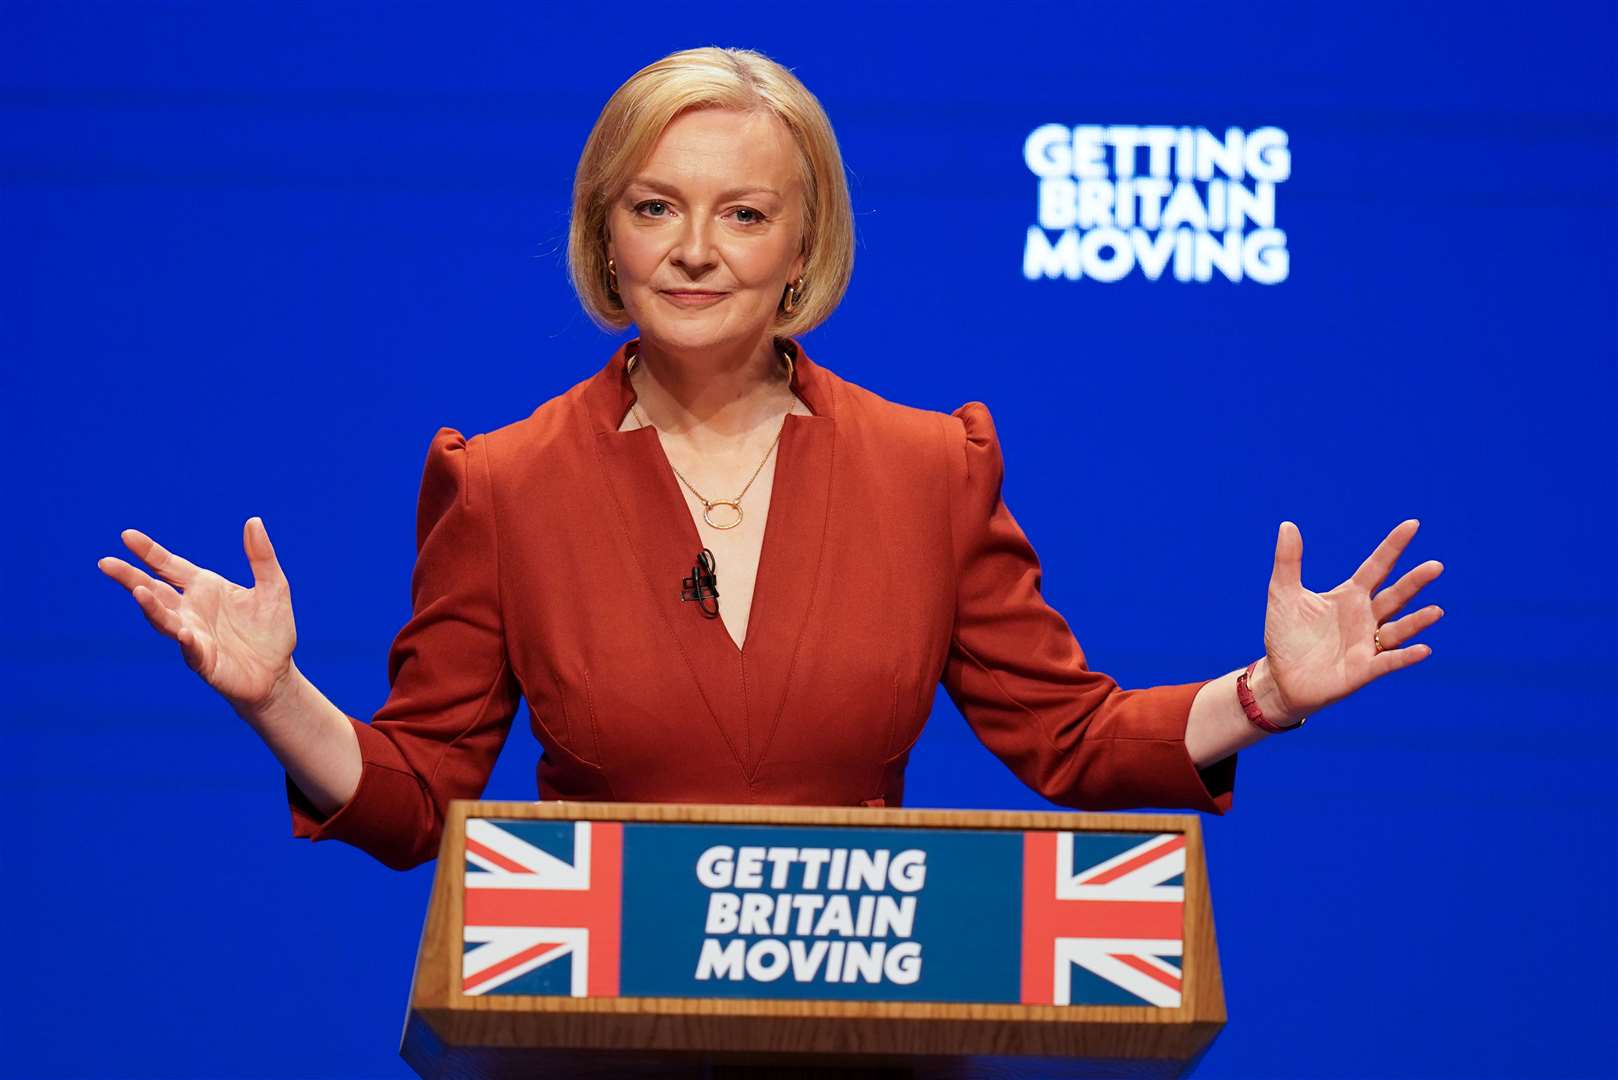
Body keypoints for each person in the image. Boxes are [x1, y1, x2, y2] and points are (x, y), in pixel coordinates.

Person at [96, 46, 1443, 872]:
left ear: (803, 247)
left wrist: (1266, 692)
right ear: (605, 236)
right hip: (587, 1042)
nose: (695, 250)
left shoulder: (930, 468)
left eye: (743, 214)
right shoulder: (500, 484)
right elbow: (413, 805)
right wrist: (272, 697)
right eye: (654, 209)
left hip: (868, 1029)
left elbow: (1073, 742)